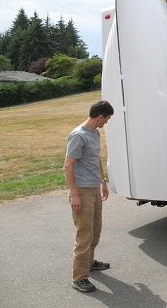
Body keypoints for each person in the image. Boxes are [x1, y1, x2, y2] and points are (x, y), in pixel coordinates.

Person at [64, 100, 114, 292]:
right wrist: (75, 194)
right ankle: (79, 277)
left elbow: (95, 159)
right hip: (82, 191)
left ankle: (90, 262)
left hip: (93, 188)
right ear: (100, 116)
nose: (107, 122)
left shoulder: (95, 133)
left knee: (96, 229)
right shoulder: (78, 136)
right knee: (84, 234)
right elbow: (68, 165)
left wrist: (103, 182)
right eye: (107, 118)